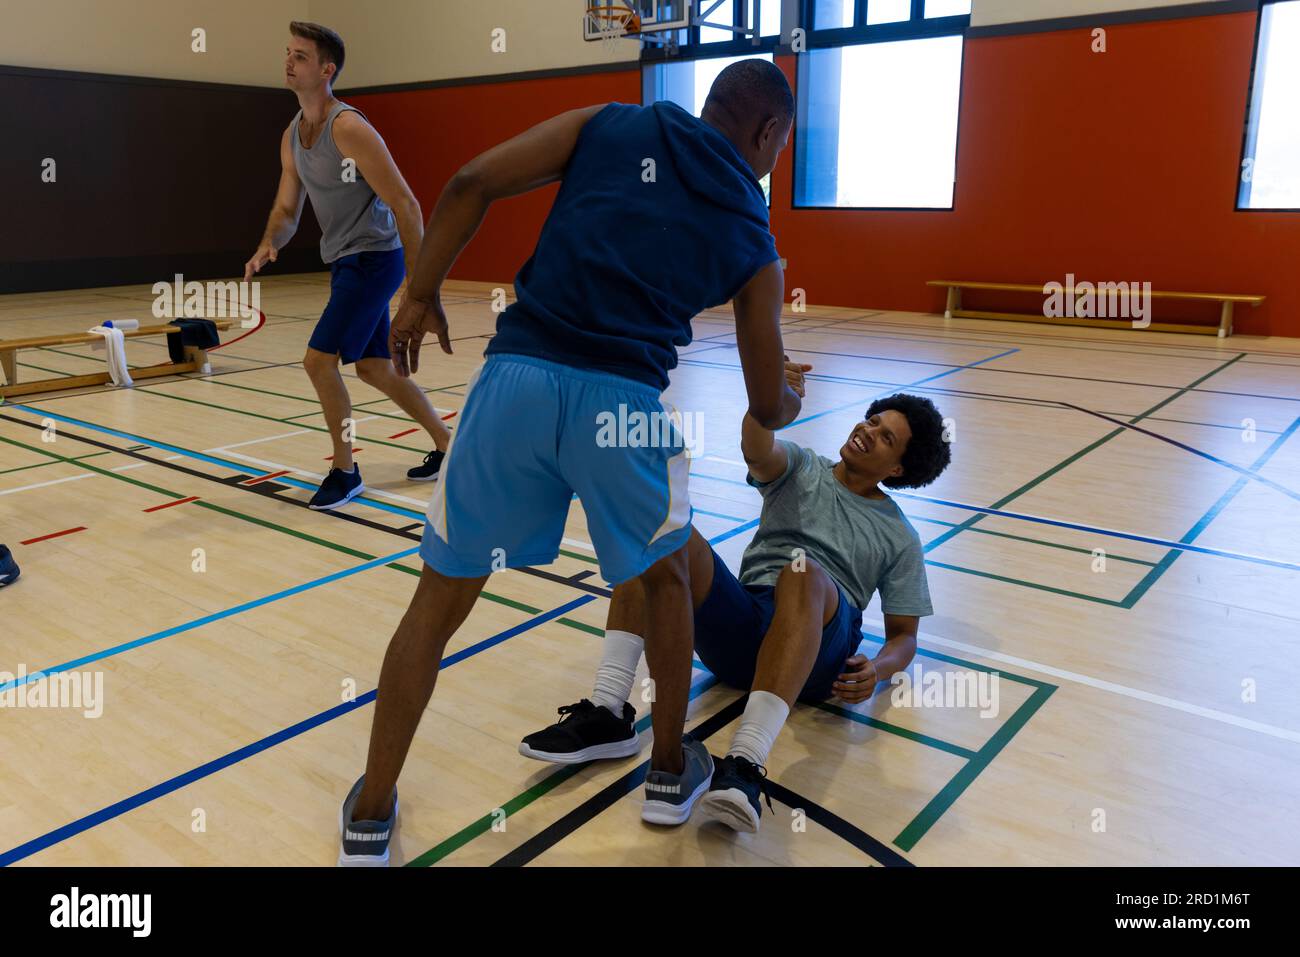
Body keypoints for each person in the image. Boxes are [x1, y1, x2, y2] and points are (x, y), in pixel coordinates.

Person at [338, 59, 800, 865]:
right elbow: (765, 403)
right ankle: (665, 771)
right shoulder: (752, 231)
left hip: (515, 382)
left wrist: (418, 291)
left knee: (437, 602)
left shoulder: (613, 122)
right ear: (768, 134)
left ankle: (371, 810)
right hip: (621, 406)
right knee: (662, 580)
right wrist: (788, 395)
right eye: (780, 148)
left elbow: (472, 179)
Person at [522, 368, 952, 835]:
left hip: (818, 644)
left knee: (802, 570)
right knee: (659, 533)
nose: (867, 431)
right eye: (871, 420)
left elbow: (905, 636)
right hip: (745, 628)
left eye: (885, 437)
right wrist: (768, 400)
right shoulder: (805, 467)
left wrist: (880, 667)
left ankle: (744, 764)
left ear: (898, 469)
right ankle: (608, 711)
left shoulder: (900, 535)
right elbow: (758, 448)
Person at [244, 21, 451, 510]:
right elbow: (287, 209)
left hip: (375, 259)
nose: (289, 61)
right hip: (345, 261)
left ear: (326, 69)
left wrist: (418, 289)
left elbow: (406, 205)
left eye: (300, 56)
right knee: (376, 367)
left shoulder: (350, 128)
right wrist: (268, 243)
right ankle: (450, 447)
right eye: (288, 53)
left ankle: (345, 469)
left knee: (319, 362)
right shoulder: (293, 135)